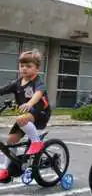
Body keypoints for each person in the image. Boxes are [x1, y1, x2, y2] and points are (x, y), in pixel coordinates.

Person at [0, 50, 51, 181]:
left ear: (37, 68)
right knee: (9, 142)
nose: (24, 69)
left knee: (21, 118)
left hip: (40, 113)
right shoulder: (17, 83)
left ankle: (36, 142)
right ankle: (5, 169)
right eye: (22, 66)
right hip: (26, 117)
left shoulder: (38, 82)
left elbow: (38, 94)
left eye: (28, 66)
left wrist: (30, 103)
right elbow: (2, 90)